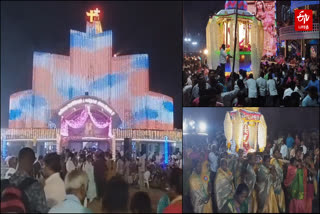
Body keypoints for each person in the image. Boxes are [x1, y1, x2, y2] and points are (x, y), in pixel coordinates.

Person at [5, 147, 48, 213]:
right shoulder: (35, 186)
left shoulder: (6, 183)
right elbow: (43, 210)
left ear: (17, 160)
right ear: (33, 161)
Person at [208, 144, 218, 212]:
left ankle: (214, 193)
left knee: (214, 182)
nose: (215, 149)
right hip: (212, 170)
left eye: (215, 148)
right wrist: (217, 155)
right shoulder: (211, 154)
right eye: (214, 148)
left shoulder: (214, 153)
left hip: (216, 170)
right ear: (212, 148)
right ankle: (211, 194)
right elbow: (214, 160)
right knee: (212, 181)